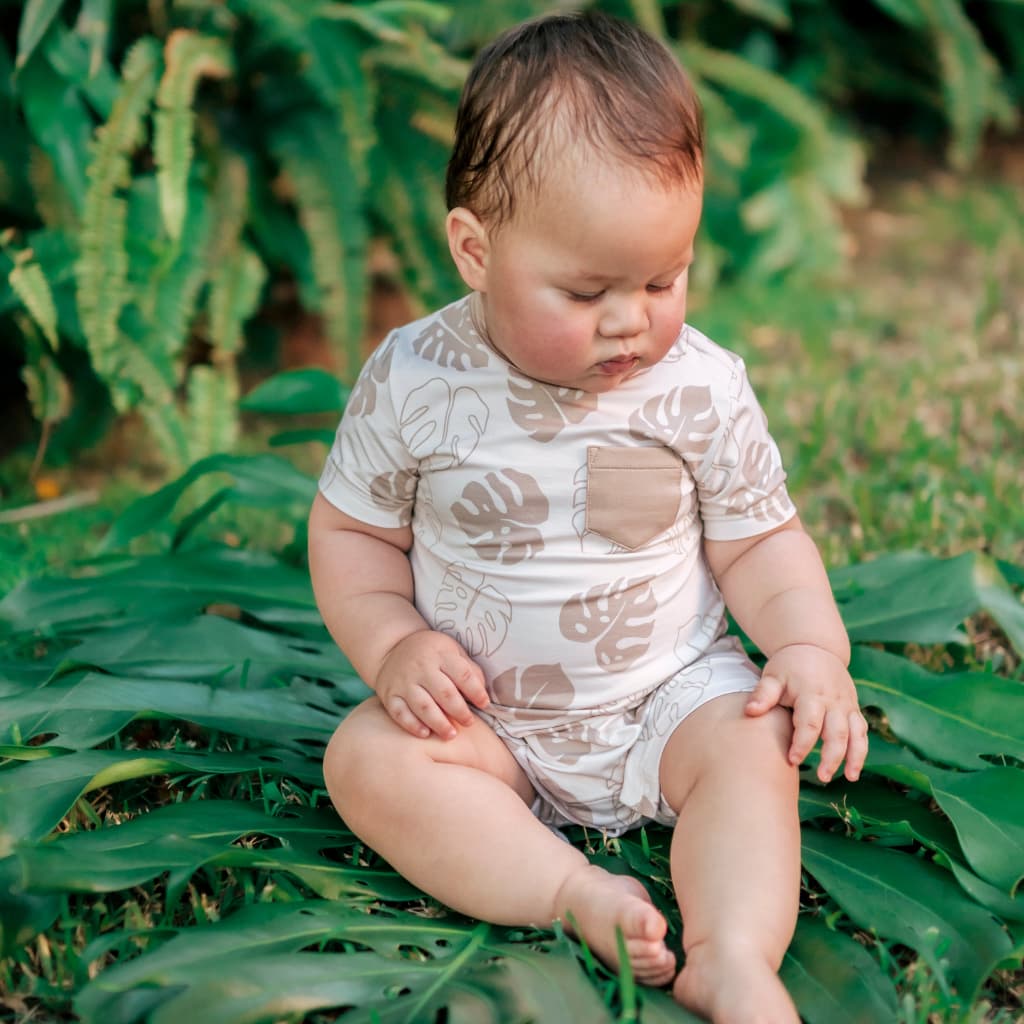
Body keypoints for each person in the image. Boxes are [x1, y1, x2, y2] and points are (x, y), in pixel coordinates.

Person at [309, 11, 868, 1023]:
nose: (632, 318)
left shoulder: (696, 386)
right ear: (475, 251)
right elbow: (353, 535)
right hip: (489, 723)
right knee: (367, 761)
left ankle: (732, 955)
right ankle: (566, 891)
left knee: (756, 744)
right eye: (585, 289)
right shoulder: (414, 379)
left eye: (663, 279)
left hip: (669, 695)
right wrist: (393, 645)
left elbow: (758, 539)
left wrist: (807, 645)